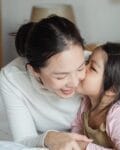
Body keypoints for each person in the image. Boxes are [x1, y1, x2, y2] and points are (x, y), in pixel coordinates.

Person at [0, 15, 92, 150]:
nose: (74, 82)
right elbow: (22, 141)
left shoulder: (97, 65)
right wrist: (49, 137)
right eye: (61, 76)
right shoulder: (12, 78)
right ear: (34, 71)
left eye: (80, 68)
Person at [71, 42, 120, 150]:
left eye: (92, 68)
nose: (83, 68)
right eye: (87, 61)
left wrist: (86, 147)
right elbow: (77, 129)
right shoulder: (86, 102)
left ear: (112, 89)